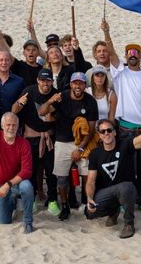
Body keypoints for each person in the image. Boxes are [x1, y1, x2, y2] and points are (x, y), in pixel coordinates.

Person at [84, 111, 141, 239]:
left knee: (127, 188)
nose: (106, 134)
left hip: (126, 189)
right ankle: (113, 211)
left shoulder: (125, 145)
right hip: (107, 192)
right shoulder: (95, 154)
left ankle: (128, 223)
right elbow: (91, 181)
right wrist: (89, 198)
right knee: (90, 213)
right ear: (99, 135)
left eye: (109, 130)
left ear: (115, 132)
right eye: (103, 132)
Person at [110, 42, 141, 216]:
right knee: (127, 168)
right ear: (125, 56)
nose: (133, 55)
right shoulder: (120, 74)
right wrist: (107, 33)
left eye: (136, 53)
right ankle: (126, 200)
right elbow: (111, 52)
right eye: (129, 52)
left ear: (140, 56)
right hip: (125, 130)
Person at [41, 71, 98, 221]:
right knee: (61, 177)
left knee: (87, 173)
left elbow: (91, 130)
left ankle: (86, 203)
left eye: (81, 83)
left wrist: (80, 148)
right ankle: (65, 205)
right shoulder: (62, 97)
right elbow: (42, 112)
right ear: (71, 84)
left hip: (82, 141)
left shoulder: (90, 101)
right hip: (62, 140)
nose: (78, 85)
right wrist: (50, 101)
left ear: (85, 85)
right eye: (75, 82)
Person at [12, 69, 58, 209]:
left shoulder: (55, 94)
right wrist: (20, 103)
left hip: (49, 138)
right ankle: (31, 200)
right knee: (30, 171)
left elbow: (56, 115)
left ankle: (52, 201)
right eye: (43, 80)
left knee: (51, 172)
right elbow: (13, 111)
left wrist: (53, 115)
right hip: (31, 137)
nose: (46, 83)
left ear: (52, 81)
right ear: (38, 80)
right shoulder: (29, 91)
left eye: (48, 80)